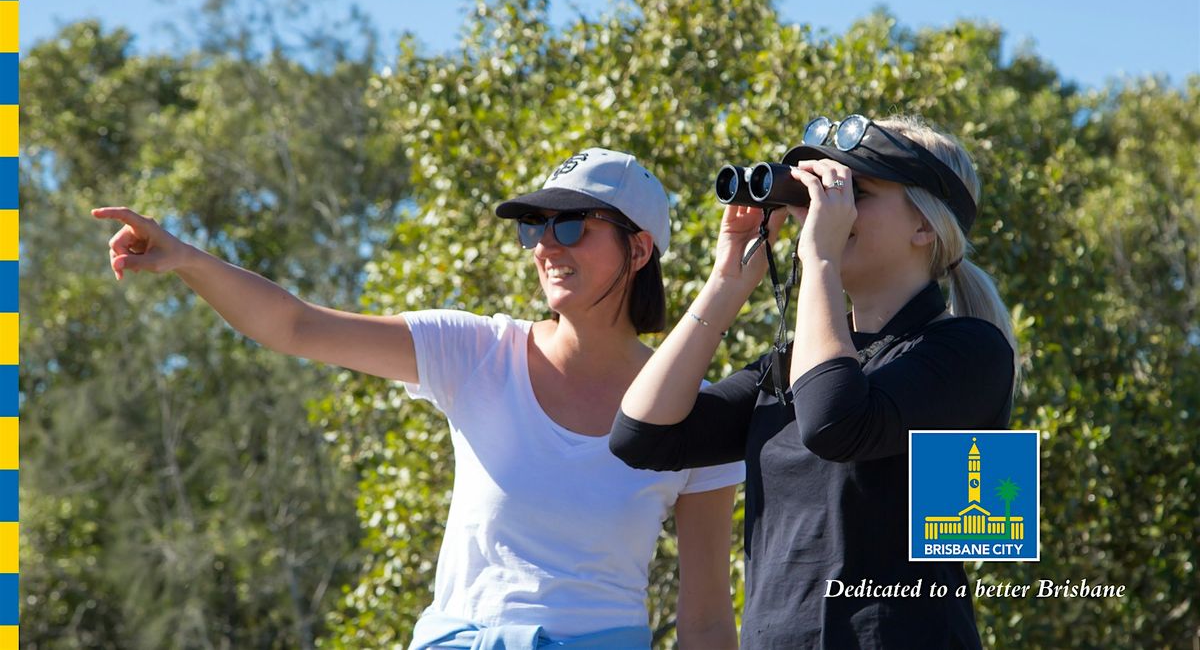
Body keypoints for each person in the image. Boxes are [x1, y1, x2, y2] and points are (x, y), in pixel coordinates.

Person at [93, 148, 743, 650]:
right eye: (535, 227)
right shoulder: (475, 350)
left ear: (638, 248)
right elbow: (294, 325)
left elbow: (709, 620)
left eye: (572, 225)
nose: (547, 243)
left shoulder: (698, 411)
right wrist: (187, 260)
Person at [611, 115, 1018, 648]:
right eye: (819, 194)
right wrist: (726, 286)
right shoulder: (791, 365)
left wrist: (820, 257)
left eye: (856, 192)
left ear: (925, 227)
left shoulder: (972, 351)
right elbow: (641, 436)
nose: (824, 211)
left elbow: (834, 425)